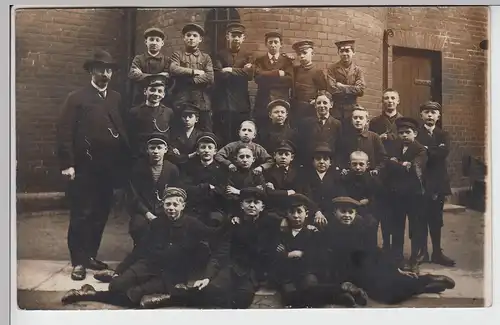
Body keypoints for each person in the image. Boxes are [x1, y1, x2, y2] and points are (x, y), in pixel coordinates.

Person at [61, 187, 226, 308]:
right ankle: (103, 285)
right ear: (162, 205)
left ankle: (90, 294)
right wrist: (121, 268)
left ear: (183, 206)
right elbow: (140, 248)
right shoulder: (157, 223)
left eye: (176, 204)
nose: (172, 208)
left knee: (134, 295)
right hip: (149, 265)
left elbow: (214, 234)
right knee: (117, 285)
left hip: (171, 273)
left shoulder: (192, 224)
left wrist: (229, 222)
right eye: (168, 204)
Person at [56, 49, 131, 281]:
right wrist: (68, 164)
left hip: (107, 169)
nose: (105, 74)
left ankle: (90, 255)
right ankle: (78, 262)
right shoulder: (76, 98)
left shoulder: (116, 98)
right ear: (91, 71)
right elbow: (64, 132)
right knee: (81, 214)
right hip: (84, 167)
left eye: (109, 70)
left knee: (100, 213)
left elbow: (123, 129)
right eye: (100, 69)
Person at [325, 196, 455, 305]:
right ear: (334, 212)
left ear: (355, 214)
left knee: (390, 282)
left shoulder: (360, 228)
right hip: (348, 273)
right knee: (386, 294)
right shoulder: (329, 230)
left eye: (350, 212)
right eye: (343, 211)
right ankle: (424, 287)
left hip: (365, 270)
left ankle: (427, 279)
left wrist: (395, 268)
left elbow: (374, 250)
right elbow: (331, 259)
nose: (347, 215)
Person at [384, 117, 428, 272]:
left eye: (407, 132)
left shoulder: (420, 150)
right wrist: (401, 164)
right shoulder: (395, 146)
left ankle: (415, 259)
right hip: (397, 195)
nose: (404, 135)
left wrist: (398, 163)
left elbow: (414, 168)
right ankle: (397, 258)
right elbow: (387, 164)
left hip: (414, 195)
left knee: (415, 227)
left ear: (415, 133)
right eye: (401, 133)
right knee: (397, 226)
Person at [416, 101, 456, 267]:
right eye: (427, 112)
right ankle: (423, 252)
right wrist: (431, 149)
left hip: (437, 184)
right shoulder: (416, 134)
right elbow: (417, 152)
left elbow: (442, 153)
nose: (430, 115)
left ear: (438, 116)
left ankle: (437, 252)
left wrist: (426, 149)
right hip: (420, 183)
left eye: (433, 112)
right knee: (420, 218)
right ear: (421, 115)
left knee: (436, 219)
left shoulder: (443, 135)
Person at [228, 187, 282, 308]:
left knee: (243, 297)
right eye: (248, 202)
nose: (252, 205)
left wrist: (286, 222)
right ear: (241, 205)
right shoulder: (235, 222)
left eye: (256, 202)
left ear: (262, 207)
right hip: (239, 268)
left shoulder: (270, 221)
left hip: (260, 270)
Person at [126, 133, 180, 249]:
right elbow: (133, 195)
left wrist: (167, 210)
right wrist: (147, 213)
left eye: (159, 148)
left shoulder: (172, 169)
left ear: (165, 149)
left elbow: (176, 193)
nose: (156, 151)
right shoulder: (138, 168)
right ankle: (140, 252)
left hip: (165, 210)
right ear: (147, 150)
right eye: (152, 148)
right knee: (138, 225)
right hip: (144, 211)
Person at [212, 22, 254, 144]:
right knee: (223, 135)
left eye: (239, 36)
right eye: (233, 35)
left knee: (240, 134)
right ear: (227, 37)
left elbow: (249, 75)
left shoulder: (248, 56)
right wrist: (241, 71)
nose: (236, 38)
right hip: (223, 103)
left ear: (243, 38)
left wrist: (229, 69)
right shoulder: (219, 55)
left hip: (241, 103)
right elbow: (219, 75)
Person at [169, 23, 214, 131]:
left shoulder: (205, 57)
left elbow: (210, 77)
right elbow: (173, 69)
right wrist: (194, 71)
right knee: (179, 130)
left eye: (195, 36)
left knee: (205, 130)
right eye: (188, 35)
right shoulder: (178, 55)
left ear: (200, 39)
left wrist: (191, 81)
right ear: (184, 38)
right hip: (182, 99)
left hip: (201, 100)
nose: (191, 38)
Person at [181, 132, 228, 226]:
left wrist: (208, 190)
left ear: (215, 151)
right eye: (203, 147)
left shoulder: (222, 169)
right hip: (194, 207)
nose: (206, 150)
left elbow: (223, 191)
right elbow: (186, 188)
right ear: (197, 151)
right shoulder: (189, 167)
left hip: (214, 208)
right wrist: (207, 187)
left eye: (210, 147)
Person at [254, 31, 294, 130]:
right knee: (263, 128)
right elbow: (258, 79)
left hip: (281, 100)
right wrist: (277, 73)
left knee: (280, 129)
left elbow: (289, 80)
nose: (273, 45)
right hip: (263, 101)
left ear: (281, 44)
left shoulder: (287, 61)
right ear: (266, 44)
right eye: (270, 42)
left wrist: (266, 76)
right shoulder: (260, 60)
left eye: (276, 42)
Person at [127, 74, 174, 158]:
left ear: (163, 94)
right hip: (140, 155)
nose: (156, 94)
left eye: (160, 91)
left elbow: (171, 134)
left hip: (162, 155)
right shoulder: (135, 112)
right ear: (145, 91)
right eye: (152, 90)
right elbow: (131, 137)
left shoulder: (168, 112)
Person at [337, 105, 386, 176]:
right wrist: (342, 168)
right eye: (355, 118)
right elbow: (339, 156)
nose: (358, 120)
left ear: (367, 121)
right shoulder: (345, 137)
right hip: (350, 176)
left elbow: (383, 158)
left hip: (369, 175)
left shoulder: (374, 137)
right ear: (351, 120)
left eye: (361, 118)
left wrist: (377, 169)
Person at [325, 40, 366, 125]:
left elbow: (361, 90)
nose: (344, 54)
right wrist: (352, 88)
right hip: (336, 110)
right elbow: (332, 89)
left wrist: (342, 86)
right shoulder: (332, 69)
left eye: (347, 50)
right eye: (341, 51)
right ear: (338, 53)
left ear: (353, 52)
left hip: (352, 110)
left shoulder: (358, 70)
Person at [296, 91, 342, 166]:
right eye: (319, 103)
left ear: (331, 105)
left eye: (325, 103)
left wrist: (336, 164)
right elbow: (301, 145)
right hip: (309, 164)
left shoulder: (337, 124)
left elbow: (339, 147)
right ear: (315, 105)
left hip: (329, 164)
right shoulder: (306, 123)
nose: (321, 105)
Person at [128, 27, 171, 106]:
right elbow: (133, 75)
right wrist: (159, 75)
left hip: (160, 99)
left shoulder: (166, 60)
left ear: (162, 43)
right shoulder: (139, 58)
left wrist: (143, 75)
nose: (154, 43)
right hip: (140, 98)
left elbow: (167, 79)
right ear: (146, 42)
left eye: (157, 40)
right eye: (151, 39)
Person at [290, 40, 327, 124]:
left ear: (312, 54)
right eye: (299, 54)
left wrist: (316, 100)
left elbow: (323, 90)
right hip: (295, 108)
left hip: (310, 109)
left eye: (304, 53)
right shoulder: (295, 70)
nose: (302, 56)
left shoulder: (317, 72)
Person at [168, 103, 203, 169]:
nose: (187, 119)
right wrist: (190, 155)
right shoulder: (175, 134)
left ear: (196, 119)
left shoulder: (200, 135)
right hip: (178, 167)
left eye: (190, 117)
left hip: (195, 168)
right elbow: (171, 154)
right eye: (184, 116)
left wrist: (181, 156)